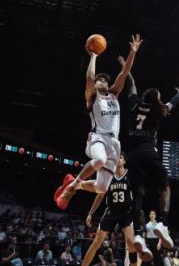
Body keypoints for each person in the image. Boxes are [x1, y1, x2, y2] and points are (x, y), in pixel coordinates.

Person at [56, 35, 142, 209]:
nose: (101, 81)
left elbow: (124, 73)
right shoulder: (92, 97)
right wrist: (94, 56)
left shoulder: (113, 94)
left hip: (114, 143)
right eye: (99, 80)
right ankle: (72, 188)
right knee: (100, 160)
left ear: (108, 85)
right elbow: (89, 79)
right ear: (95, 86)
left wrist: (132, 53)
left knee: (102, 188)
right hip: (97, 138)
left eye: (104, 80)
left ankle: (75, 183)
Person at [121, 57, 179, 252]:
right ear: (157, 98)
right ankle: (162, 224)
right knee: (165, 188)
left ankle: (138, 235)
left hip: (132, 155)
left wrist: (126, 67)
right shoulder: (158, 109)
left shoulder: (134, 103)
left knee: (138, 194)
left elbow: (131, 83)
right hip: (149, 152)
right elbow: (172, 104)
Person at [72, 153, 147, 266]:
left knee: (131, 243)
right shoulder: (109, 176)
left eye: (121, 157)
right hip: (111, 211)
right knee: (96, 242)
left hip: (126, 212)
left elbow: (137, 195)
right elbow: (100, 195)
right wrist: (90, 213)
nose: (118, 160)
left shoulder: (130, 175)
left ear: (124, 161)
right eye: (116, 157)